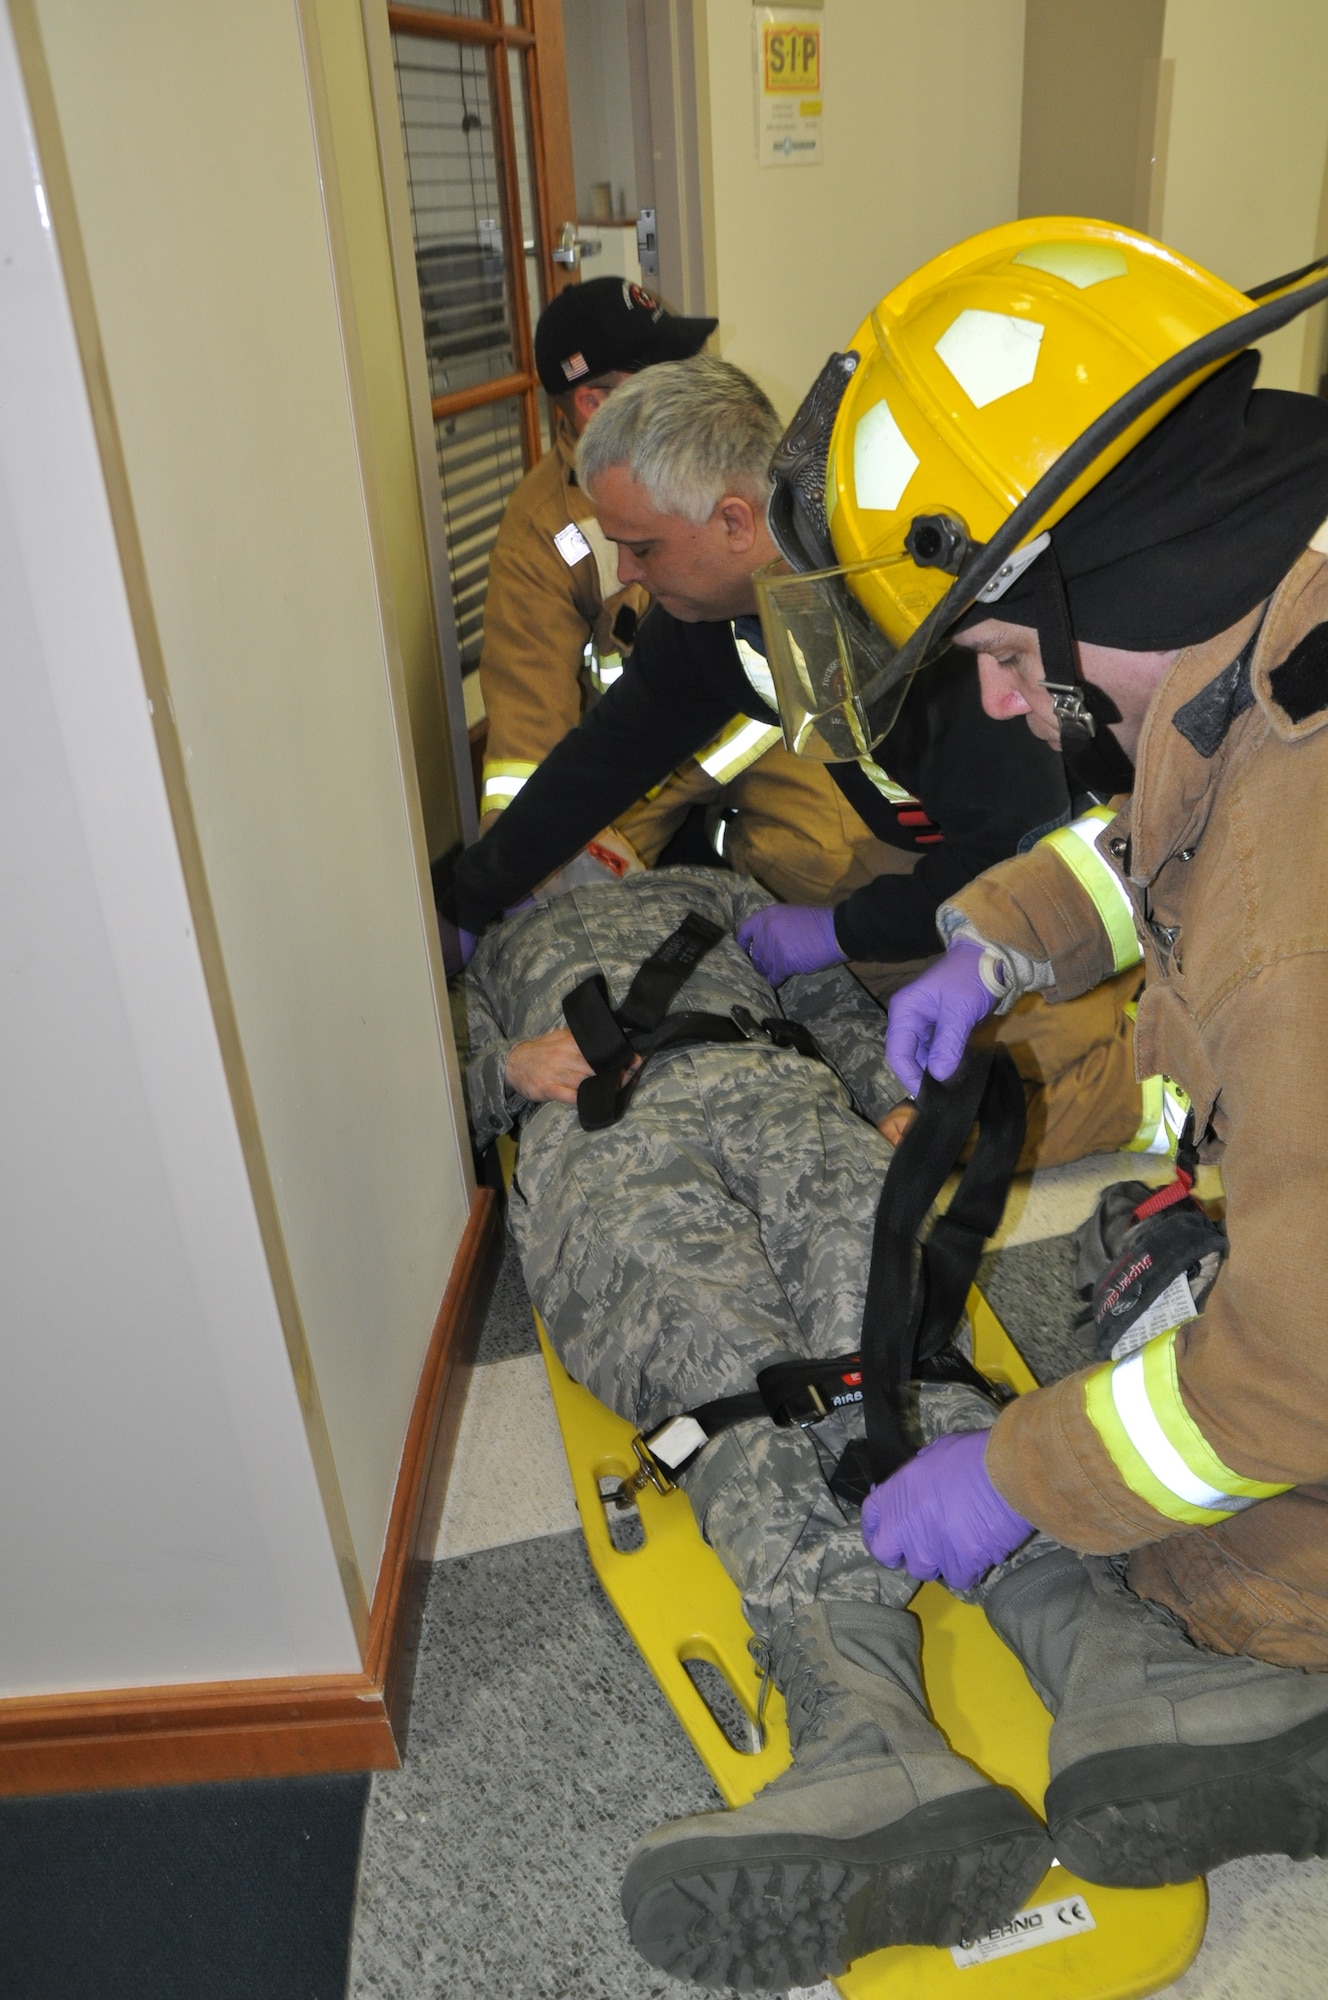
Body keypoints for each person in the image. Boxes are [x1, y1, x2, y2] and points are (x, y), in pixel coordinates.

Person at [758, 216, 1328, 1894]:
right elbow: (1177, 820)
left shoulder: (1294, 929)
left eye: (1002, 657)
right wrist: (995, 930)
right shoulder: (1277, 620)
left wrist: (1015, 1476)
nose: (1004, 712)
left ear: (1099, 578)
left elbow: (1299, 1370)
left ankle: (1269, 1679)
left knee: (1205, 1539)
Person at [453, 865, 1054, 1991]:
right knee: (724, 1368)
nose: (574, 841)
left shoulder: (712, 887)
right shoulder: (483, 960)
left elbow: (819, 987)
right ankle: (863, 1724)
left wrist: (882, 1088)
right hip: (604, 1135)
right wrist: (506, 1067)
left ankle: (1106, 1651)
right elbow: (423, 1091)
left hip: (780, 1095)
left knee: (890, 1337)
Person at [451, 352, 1072, 987]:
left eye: (641, 548)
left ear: (733, 521)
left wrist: (843, 930)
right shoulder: (708, 621)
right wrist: (469, 900)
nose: (629, 574)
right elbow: (604, 760)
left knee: (1053, 1059)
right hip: (935, 842)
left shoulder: (901, 616)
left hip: (1063, 871)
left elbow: (1021, 844)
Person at [479, 277, 894, 901]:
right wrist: (566, 855)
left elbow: (777, 673)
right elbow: (530, 748)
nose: (693, 381)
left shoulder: (737, 470)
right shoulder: (542, 530)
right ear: (592, 404)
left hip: (774, 729)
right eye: (663, 371)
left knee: (830, 865)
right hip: (639, 756)